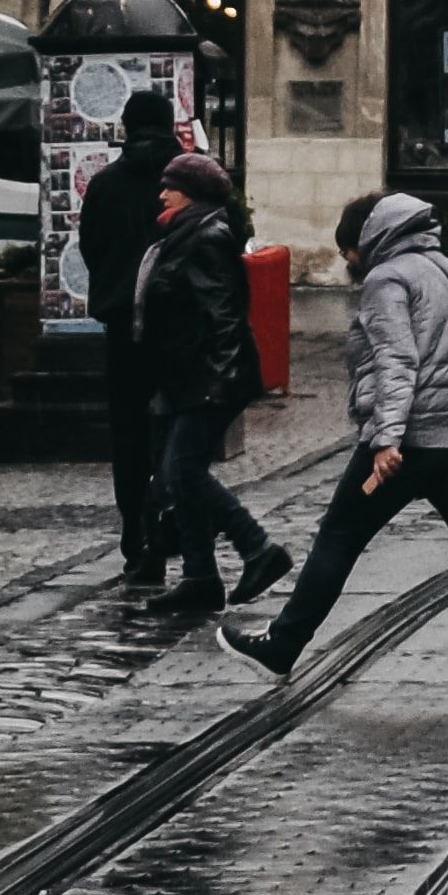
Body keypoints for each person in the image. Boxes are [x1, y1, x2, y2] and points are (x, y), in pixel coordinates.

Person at [227, 189, 448, 697]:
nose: (348, 261)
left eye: (348, 250)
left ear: (367, 240)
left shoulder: (388, 279)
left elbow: (397, 361)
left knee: (338, 536)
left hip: (410, 439)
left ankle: (281, 646)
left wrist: (386, 439)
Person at [134, 150, 287, 613]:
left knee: (184, 471)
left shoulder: (206, 236)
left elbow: (223, 313)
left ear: (193, 193)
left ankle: (258, 548)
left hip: (209, 376)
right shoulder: (184, 233)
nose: (162, 193)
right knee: (176, 477)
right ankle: (200, 577)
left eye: (171, 186)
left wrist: (220, 380)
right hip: (184, 375)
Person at [79, 98, 178, 590]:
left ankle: (135, 538)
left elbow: (90, 250)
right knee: (175, 433)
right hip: (179, 331)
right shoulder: (187, 186)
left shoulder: (104, 185)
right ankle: (169, 529)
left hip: (122, 327)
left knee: (129, 437)